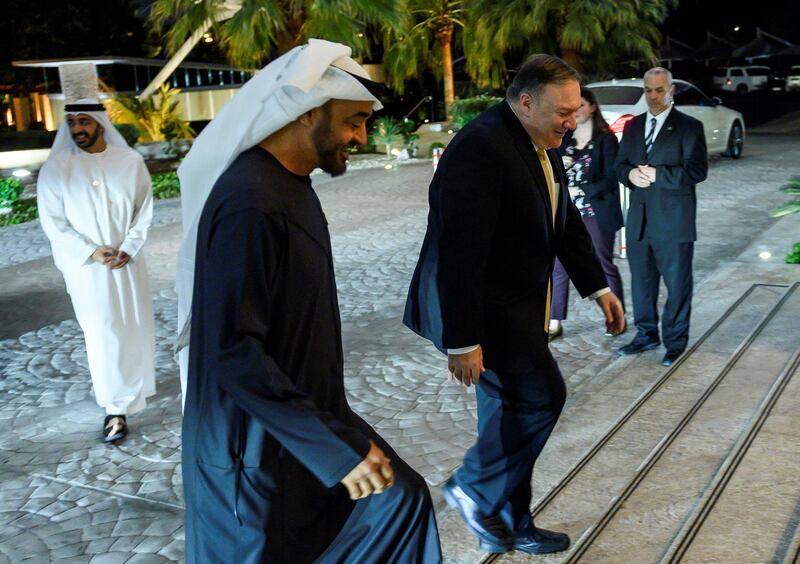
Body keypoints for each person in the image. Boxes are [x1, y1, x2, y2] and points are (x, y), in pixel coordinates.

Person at [177, 40, 441, 563]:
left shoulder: (289, 185)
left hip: (303, 421)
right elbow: (232, 349)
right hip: (248, 447)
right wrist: (332, 448)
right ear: (308, 114)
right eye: (354, 122)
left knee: (400, 503)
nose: (361, 138)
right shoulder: (249, 202)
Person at [404, 54, 624, 555]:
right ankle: (474, 489)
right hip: (486, 311)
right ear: (525, 102)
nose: (573, 120)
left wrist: (598, 287)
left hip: (520, 305)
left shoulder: (538, 139)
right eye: (562, 112)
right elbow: (456, 253)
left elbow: (561, 220)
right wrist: (462, 340)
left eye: (575, 110)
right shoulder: (481, 148)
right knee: (542, 396)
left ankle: (509, 519)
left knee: (506, 417)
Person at [37, 98, 155, 443]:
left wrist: (128, 248)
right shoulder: (56, 169)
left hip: (128, 263)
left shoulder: (130, 161)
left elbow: (143, 208)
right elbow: (53, 223)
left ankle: (133, 391)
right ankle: (114, 410)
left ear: (101, 123)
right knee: (103, 334)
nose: (77, 130)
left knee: (133, 327)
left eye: (84, 122)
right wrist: (92, 252)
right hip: (88, 269)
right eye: (71, 123)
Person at [614, 67, 708, 367]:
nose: (653, 96)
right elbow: (619, 165)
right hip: (638, 222)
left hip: (674, 223)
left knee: (677, 286)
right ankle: (646, 334)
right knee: (641, 284)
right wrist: (629, 174)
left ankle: (675, 342)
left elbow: (697, 171)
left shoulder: (689, 127)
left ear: (671, 91)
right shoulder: (633, 126)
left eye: (658, 90)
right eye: (648, 90)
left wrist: (659, 174)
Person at [550, 85, 626, 340]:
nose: (577, 110)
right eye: (572, 107)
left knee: (603, 263)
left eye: (581, 105)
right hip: (566, 213)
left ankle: (617, 315)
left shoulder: (606, 140)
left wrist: (579, 186)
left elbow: (611, 178)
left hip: (596, 211)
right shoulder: (564, 139)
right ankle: (554, 321)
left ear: (593, 107)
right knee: (559, 266)